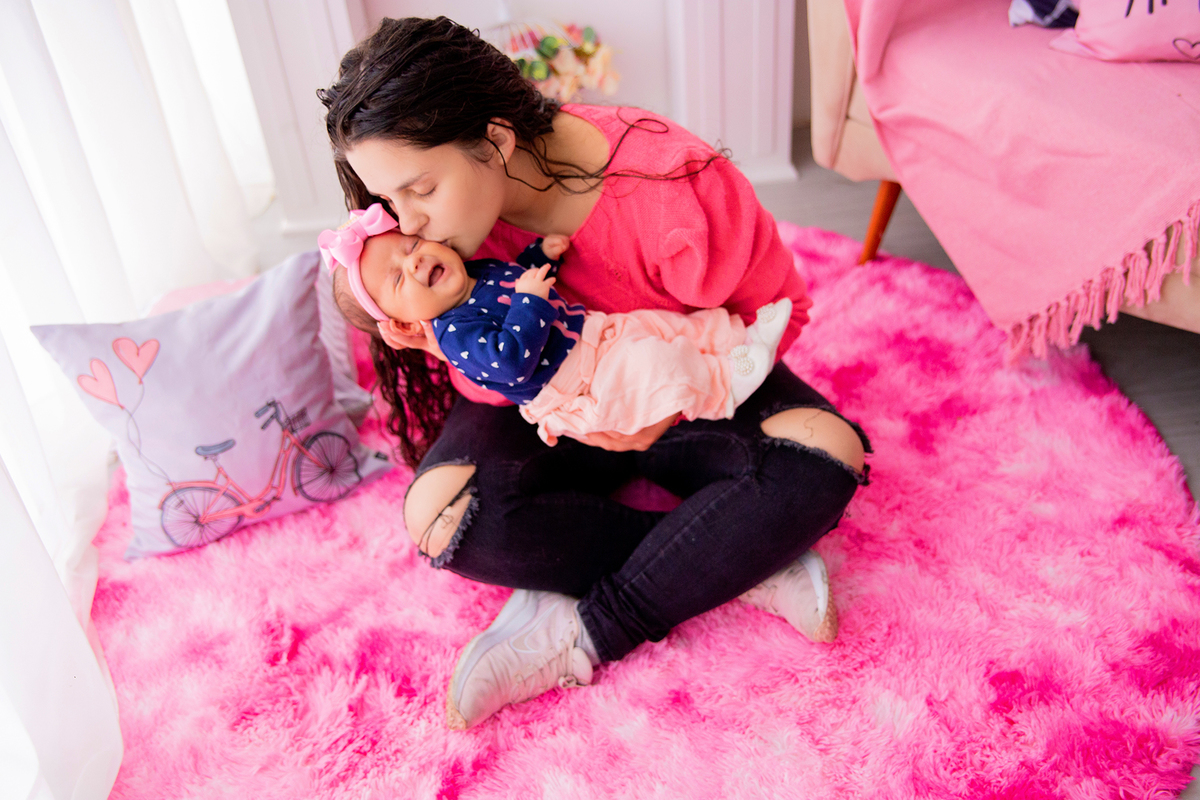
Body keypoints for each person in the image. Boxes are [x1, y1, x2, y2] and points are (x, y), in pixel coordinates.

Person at [318, 16, 872, 730]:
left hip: (675, 383)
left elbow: (775, 314)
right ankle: (729, 559)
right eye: (391, 202)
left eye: (420, 189)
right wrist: (434, 343)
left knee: (827, 455)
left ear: (496, 141)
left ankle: (587, 630)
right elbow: (491, 386)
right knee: (440, 517)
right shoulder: (440, 245)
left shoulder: (672, 187)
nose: (408, 224)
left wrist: (661, 411)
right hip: (551, 404)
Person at [318, 203, 793, 447]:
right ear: (405, 323)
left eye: (410, 247)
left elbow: (517, 278)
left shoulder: (473, 273)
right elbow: (510, 362)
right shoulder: (455, 332)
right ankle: (727, 383)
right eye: (399, 279)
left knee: (664, 326)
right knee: (658, 366)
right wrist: (530, 300)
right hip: (578, 383)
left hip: (594, 337)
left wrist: (539, 257)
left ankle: (739, 339)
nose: (416, 262)